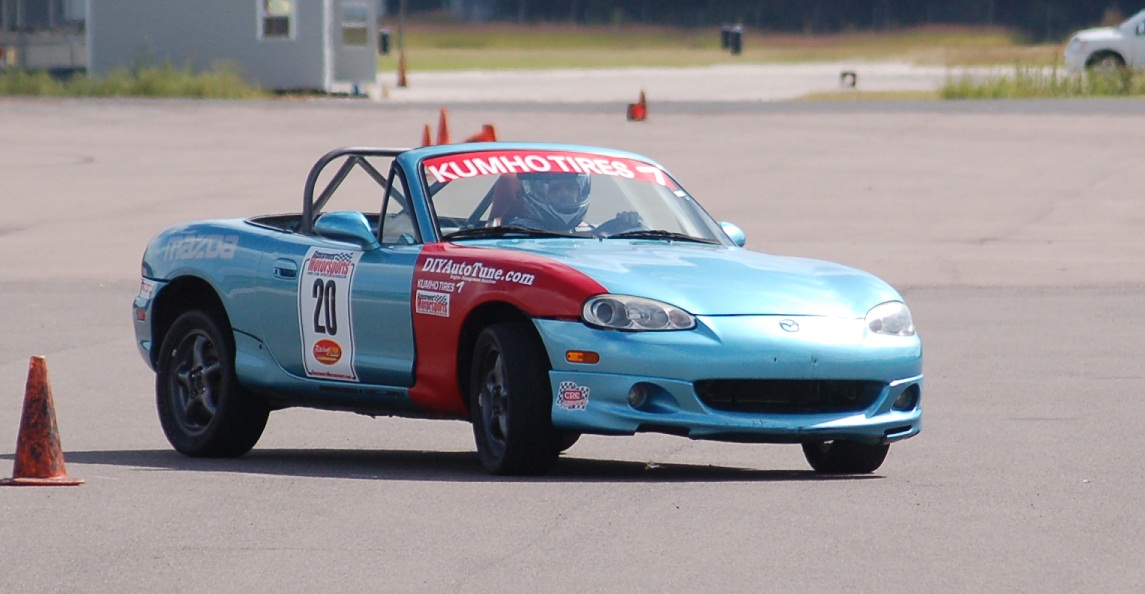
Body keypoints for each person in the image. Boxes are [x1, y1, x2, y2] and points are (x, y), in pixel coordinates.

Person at [511, 172, 641, 235]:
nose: (565, 194)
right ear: (537, 195)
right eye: (555, 189)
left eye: (570, 188)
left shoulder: (590, 229)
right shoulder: (516, 233)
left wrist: (624, 226)